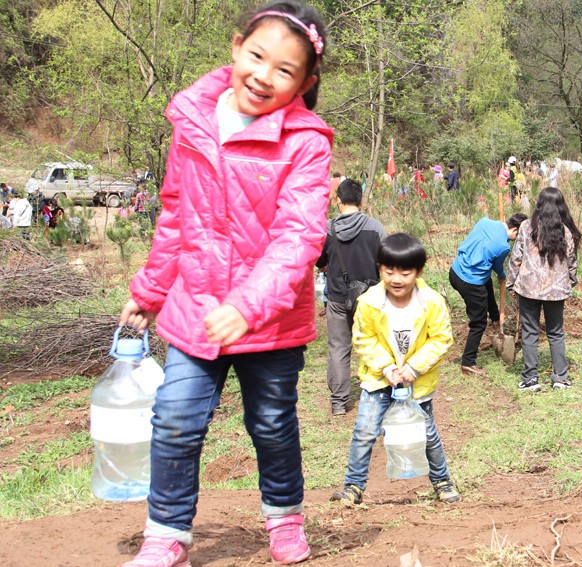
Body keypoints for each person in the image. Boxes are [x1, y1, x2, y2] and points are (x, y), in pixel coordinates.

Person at [117, 3, 333, 565]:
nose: (263, 76)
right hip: (194, 307)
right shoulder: (192, 119)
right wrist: (150, 291)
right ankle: (167, 534)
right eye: (257, 56)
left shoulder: (306, 142)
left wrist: (247, 306)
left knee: (271, 423)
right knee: (175, 420)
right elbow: (175, 214)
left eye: (284, 70)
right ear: (237, 48)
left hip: (271, 320)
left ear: (305, 83)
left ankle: (284, 517)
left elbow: (299, 237)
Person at [330, 233, 459, 506]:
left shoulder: (431, 302)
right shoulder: (369, 302)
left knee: (427, 434)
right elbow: (363, 338)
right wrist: (385, 366)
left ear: (419, 272)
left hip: (415, 382)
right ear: (380, 268)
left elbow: (441, 339)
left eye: (405, 272)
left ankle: (443, 482)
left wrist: (414, 367)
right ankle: (353, 487)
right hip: (378, 380)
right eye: (389, 272)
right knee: (364, 432)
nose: (396, 279)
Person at [316, 179, 385, 416]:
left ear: (338, 201)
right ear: (361, 201)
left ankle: (338, 402)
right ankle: (378, 393)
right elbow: (386, 261)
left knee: (338, 348)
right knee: (375, 344)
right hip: (370, 298)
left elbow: (319, 260)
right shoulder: (375, 227)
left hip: (337, 297)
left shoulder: (327, 229)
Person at [507, 187, 581, 391]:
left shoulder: (526, 227)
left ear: (539, 204)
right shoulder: (565, 230)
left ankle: (531, 379)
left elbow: (516, 257)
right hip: (556, 290)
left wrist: (511, 282)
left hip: (528, 288)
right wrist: (570, 281)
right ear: (560, 205)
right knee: (555, 332)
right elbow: (572, 261)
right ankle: (561, 378)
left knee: (530, 332)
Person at [449, 213, 527, 375]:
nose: (516, 240)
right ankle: (468, 362)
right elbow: (497, 267)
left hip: (455, 272)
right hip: (470, 282)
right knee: (478, 322)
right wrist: (503, 275)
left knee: (487, 282)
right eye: (518, 236)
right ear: (514, 230)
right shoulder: (503, 246)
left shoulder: (484, 221)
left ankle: (495, 318)